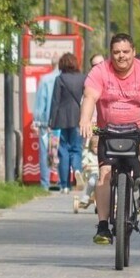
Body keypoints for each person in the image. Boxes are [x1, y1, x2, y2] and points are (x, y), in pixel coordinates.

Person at [78, 33, 140, 244]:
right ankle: (102, 227)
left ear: (133, 52)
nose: (121, 56)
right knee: (104, 175)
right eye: (116, 52)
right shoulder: (100, 71)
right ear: (111, 54)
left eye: (126, 52)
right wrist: (85, 120)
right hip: (109, 131)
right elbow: (90, 97)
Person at [48, 52, 86, 193]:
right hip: (78, 118)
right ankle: (76, 170)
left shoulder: (60, 79)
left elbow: (55, 101)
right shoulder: (83, 78)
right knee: (76, 149)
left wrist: (52, 121)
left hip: (62, 120)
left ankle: (64, 185)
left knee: (63, 150)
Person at [34, 57, 60, 190]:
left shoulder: (45, 79)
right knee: (60, 150)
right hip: (62, 121)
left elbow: (41, 103)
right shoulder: (65, 79)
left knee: (45, 152)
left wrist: (37, 121)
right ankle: (63, 182)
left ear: (52, 64)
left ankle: (45, 183)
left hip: (46, 121)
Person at [76, 135, 99, 211]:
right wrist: (86, 166)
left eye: (98, 147)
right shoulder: (89, 155)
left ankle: (114, 199)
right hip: (93, 173)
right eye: (95, 147)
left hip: (102, 174)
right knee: (92, 182)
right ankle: (86, 196)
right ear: (91, 147)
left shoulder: (102, 155)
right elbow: (83, 163)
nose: (97, 149)